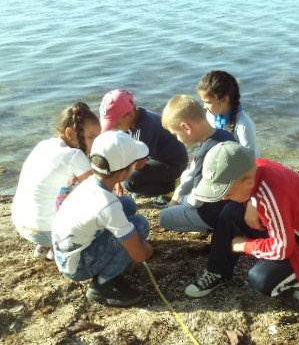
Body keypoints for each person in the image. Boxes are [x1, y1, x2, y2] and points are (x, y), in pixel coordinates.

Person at [187, 142, 299, 300]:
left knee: (261, 279)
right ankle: (217, 272)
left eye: (227, 193)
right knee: (230, 211)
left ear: (248, 183)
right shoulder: (254, 167)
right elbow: (259, 187)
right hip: (293, 228)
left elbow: (282, 249)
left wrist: (245, 245)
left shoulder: (271, 198)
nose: (223, 198)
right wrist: (252, 203)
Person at [52, 130, 153, 307]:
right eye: (133, 164)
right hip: (78, 266)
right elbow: (140, 255)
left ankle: (107, 263)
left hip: (66, 252)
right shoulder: (107, 204)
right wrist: (146, 249)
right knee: (140, 225)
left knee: (127, 204)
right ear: (123, 173)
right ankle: (103, 284)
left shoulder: (90, 183)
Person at [12, 102, 101, 260]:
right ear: (70, 134)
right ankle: (58, 247)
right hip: (48, 231)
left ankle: (46, 245)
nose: (95, 143)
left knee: (61, 191)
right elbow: (98, 192)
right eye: (91, 137)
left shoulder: (44, 145)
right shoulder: (74, 156)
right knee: (118, 209)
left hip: (23, 225)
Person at [159, 95, 236, 235]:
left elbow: (197, 201)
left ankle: (209, 228)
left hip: (213, 213)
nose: (177, 138)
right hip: (232, 204)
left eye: (176, 134)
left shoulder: (205, 153)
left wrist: (180, 200)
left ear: (186, 127)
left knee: (164, 217)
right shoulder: (226, 135)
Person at [99, 89, 188, 206]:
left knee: (129, 182)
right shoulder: (134, 118)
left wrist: (116, 179)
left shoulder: (144, 129)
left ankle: (168, 189)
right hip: (156, 157)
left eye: (116, 125)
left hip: (173, 164)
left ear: (129, 115)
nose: (115, 129)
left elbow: (138, 163)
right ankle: (157, 183)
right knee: (126, 176)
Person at [197, 70, 260, 157]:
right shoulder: (210, 116)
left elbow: (252, 159)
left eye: (208, 102)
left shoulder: (244, 125)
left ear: (224, 100)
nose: (204, 106)